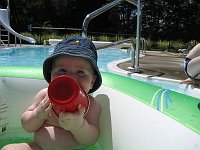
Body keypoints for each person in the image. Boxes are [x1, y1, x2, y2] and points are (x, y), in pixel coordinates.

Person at [2, 36, 102, 150]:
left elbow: (91, 141)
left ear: (92, 81)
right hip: (38, 147)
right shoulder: (45, 96)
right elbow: (27, 126)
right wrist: (38, 114)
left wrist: (79, 126)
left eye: (80, 72)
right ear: (51, 74)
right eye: (62, 70)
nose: (70, 78)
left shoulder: (91, 105)